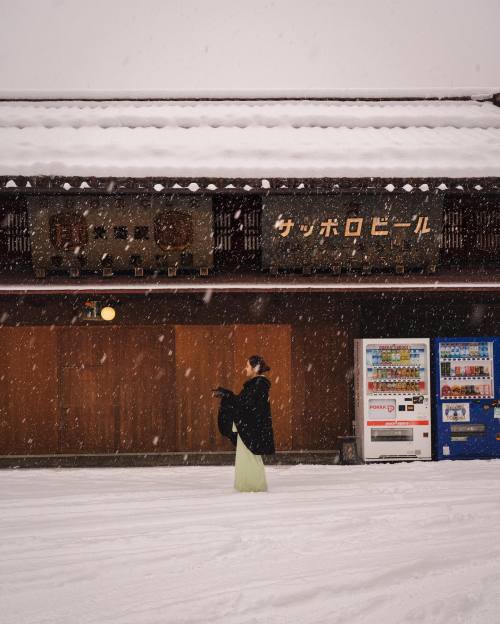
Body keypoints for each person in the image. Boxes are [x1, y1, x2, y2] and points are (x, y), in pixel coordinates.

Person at [214, 355, 275, 492]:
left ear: (255, 368)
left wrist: (228, 396)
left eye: (247, 366)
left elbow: (245, 404)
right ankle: (248, 485)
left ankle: (254, 486)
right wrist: (227, 395)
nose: (245, 368)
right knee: (247, 458)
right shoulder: (255, 384)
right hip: (248, 429)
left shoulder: (259, 385)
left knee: (250, 458)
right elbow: (243, 403)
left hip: (251, 429)